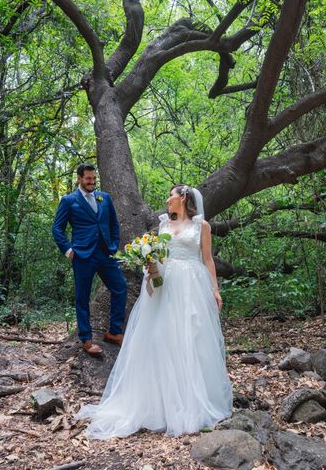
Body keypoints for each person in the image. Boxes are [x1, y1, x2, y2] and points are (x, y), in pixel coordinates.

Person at [75, 184, 232, 439]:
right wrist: (150, 268)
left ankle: (192, 403)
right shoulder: (163, 225)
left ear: (182, 198)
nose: (167, 200)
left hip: (192, 286)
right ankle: (160, 404)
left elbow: (208, 259)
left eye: (171, 196)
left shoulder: (201, 226)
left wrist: (215, 289)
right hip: (167, 286)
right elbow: (160, 256)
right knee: (162, 339)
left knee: (192, 339)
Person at [52, 163, 127, 356]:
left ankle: (114, 332)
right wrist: (68, 250)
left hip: (106, 254)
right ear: (79, 178)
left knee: (120, 287)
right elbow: (57, 229)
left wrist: (114, 246)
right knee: (82, 297)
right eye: (88, 179)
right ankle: (86, 338)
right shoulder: (69, 201)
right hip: (83, 256)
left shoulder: (105, 198)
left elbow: (113, 225)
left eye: (94, 179)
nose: (92, 182)